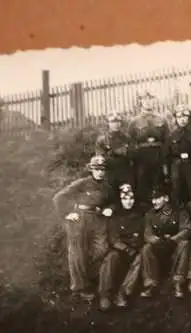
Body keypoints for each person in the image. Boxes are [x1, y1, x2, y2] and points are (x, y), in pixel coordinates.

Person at [52, 155, 115, 302]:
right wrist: (67, 213)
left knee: (102, 249)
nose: (100, 172)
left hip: (98, 219)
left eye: (102, 169)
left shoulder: (107, 186)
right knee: (77, 253)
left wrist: (110, 209)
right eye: (97, 169)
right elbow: (59, 197)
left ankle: (89, 277)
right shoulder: (82, 183)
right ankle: (79, 287)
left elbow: (113, 202)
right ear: (91, 169)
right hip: (80, 218)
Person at [98, 184, 149, 311]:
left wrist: (136, 247)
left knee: (141, 257)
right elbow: (113, 239)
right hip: (121, 250)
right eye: (125, 198)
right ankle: (105, 295)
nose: (128, 201)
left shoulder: (140, 215)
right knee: (111, 257)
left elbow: (144, 234)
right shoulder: (115, 216)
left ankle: (123, 293)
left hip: (136, 249)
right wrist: (126, 249)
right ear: (120, 199)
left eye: (131, 198)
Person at [143, 187, 191, 299]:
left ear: (166, 198)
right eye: (152, 199)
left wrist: (172, 240)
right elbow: (147, 234)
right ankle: (151, 284)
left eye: (157, 198)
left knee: (185, 243)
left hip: (175, 246)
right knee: (146, 248)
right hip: (159, 247)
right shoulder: (150, 214)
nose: (154, 202)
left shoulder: (179, 211)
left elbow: (187, 229)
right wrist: (157, 240)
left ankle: (178, 282)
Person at [128, 90, 170, 204]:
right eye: (144, 99)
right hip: (142, 158)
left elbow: (167, 141)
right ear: (140, 101)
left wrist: (165, 160)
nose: (147, 102)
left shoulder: (162, 119)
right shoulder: (134, 122)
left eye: (150, 99)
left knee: (159, 185)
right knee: (142, 186)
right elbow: (131, 143)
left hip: (158, 156)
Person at [165, 104, 191, 207]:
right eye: (179, 117)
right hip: (177, 166)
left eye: (184, 116)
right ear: (176, 119)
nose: (182, 119)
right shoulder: (172, 135)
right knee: (177, 192)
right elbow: (168, 155)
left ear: (189, 117)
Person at [95, 111, 134, 191]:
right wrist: (117, 153)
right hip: (110, 174)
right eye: (112, 122)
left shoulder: (126, 138)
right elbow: (100, 159)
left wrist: (114, 152)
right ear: (108, 123)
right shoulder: (102, 140)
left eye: (118, 122)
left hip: (125, 173)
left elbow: (132, 154)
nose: (116, 124)